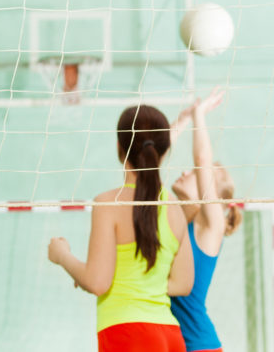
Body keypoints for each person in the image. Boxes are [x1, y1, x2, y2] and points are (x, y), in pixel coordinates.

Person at [47, 105, 194, 352]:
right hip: (170, 336)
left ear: (119, 147)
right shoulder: (173, 208)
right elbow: (183, 283)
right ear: (164, 152)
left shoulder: (108, 204)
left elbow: (97, 282)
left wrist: (62, 256)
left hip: (128, 334)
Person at [169, 88, 243, 352]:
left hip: (200, 346)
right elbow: (149, 162)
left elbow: (202, 160)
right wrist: (184, 119)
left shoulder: (211, 227)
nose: (185, 171)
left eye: (197, 174)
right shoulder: (175, 219)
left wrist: (200, 115)